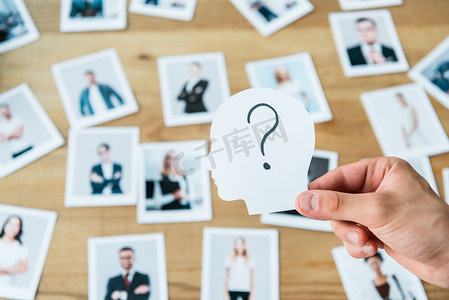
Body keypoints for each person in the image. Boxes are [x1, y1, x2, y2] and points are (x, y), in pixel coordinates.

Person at [295, 157, 449, 289]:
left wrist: (443, 257)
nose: (374, 266)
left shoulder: (394, 280)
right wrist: (442, 261)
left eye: (375, 263)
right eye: (372, 264)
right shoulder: (369, 285)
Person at [0, 215, 28, 286]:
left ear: (19, 229)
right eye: (10, 223)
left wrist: (4, 269)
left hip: (7, 284)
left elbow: (23, 267)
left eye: (16, 225)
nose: (12, 228)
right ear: (5, 225)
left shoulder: (21, 247)